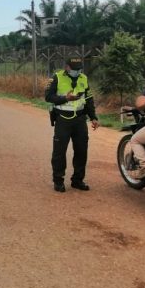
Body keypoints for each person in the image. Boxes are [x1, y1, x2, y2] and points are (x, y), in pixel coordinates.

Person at [45, 57, 100, 193]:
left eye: (79, 68)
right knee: (59, 152)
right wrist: (65, 98)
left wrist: (93, 117)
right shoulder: (56, 77)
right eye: (75, 69)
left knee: (82, 151)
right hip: (63, 119)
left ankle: (77, 180)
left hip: (80, 119)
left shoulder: (83, 78)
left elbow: (88, 98)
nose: (77, 71)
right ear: (67, 67)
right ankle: (58, 181)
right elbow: (48, 97)